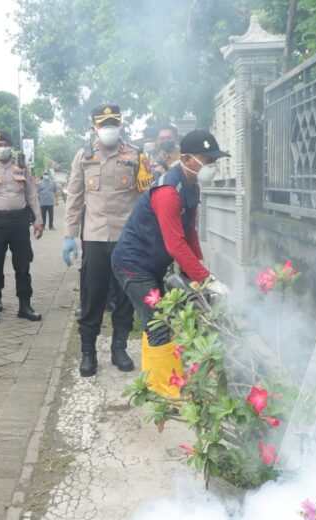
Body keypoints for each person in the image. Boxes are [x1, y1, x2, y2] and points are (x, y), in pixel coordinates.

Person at [111, 130, 229, 396]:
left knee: (156, 319)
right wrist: (206, 279)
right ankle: (165, 392)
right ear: (186, 159)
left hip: (152, 264)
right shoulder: (168, 192)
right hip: (133, 264)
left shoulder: (191, 186)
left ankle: (157, 378)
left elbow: (189, 233)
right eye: (207, 160)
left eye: (214, 161)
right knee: (158, 321)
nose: (211, 166)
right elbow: (175, 245)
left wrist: (198, 273)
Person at [62, 104, 153, 378]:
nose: (109, 129)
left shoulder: (136, 155)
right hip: (95, 238)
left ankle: (119, 348)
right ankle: (88, 352)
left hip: (126, 238)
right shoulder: (84, 156)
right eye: (104, 125)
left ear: (120, 125)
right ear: (95, 128)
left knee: (124, 296)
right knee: (92, 296)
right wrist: (69, 235)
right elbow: (75, 197)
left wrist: (147, 234)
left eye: (113, 123)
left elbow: (145, 198)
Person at [0, 131, 43, 326]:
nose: (1, 147)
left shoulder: (22, 165)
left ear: (11, 146)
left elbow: (32, 194)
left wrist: (38, 220)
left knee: (23, 266)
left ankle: (25, 306)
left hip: (20, 222)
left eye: (4, 144)